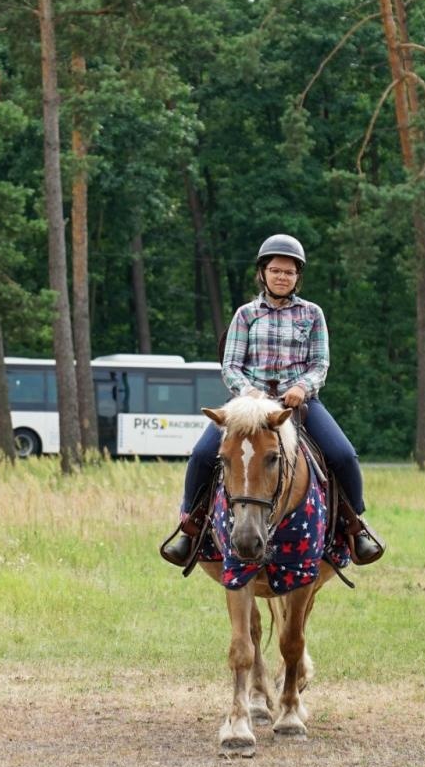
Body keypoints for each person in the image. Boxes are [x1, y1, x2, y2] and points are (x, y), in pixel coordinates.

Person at [161, 233, 383, 567]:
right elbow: (231, 365)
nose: (282, 277)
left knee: (343, 454)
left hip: (298, 404)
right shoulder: (246, 314)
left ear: (298, 278)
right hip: (249, 407)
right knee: (202, 454)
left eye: (289, 272)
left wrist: (302, 387)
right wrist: (249, 391)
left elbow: (320, 363)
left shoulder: (312, 314)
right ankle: (190, 529)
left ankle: (355, 528)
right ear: (262, 273)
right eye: (276, 270)